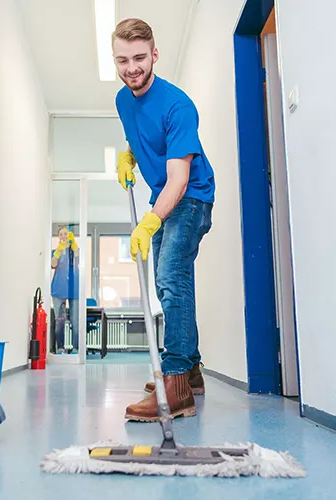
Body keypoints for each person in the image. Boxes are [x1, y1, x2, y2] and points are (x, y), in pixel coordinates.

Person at [112, 18, 215, 422]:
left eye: (140, 57)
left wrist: (150, 221)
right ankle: (191, 370)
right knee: (172, 281)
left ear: (154, 55)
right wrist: (129, 155)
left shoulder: (178, 105)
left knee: (171, 276)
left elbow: (179, 178)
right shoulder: (123, 100)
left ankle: (176, 388)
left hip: (190, 197)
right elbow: (141, 133)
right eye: (123, 60)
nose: (132, 67)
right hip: (165, 196)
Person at [51, 226, 80, 354]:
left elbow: (79, 259)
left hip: (73, 289)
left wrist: (73, 245)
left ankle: (76, 348)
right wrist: (58, 252)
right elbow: (53, 264)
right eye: (61, 234)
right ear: (58, 237)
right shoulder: (55, 251)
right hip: (58, 289)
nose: (64, 236)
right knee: (60, 321)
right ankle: (60, 347)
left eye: (66, 234)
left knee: (75, 320)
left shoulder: (74, 250)